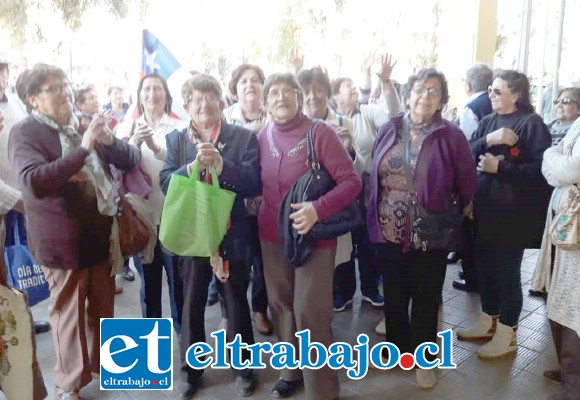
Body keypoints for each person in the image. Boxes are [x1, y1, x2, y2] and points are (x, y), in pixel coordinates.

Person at [8, 63, 139, 400]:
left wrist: (106, 139)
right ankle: (69, 384)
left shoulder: (82, 122)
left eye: (65, 84)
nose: (64, 91)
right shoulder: (25, 133)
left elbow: (128, 160)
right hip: (61, 241)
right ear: (32, 99)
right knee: (68, 314)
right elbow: (34, 182)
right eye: (53, 88)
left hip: (101, 234)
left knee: (103, 306)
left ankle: (108, 367)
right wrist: (82, 150)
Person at [367, 68, 476, 389]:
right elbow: (375, 170)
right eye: (419, 89)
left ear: (442, 99)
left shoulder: (450, 135)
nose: (424, 96)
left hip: (431, 228)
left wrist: (456, 205)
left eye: (432, 91)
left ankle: (425, 360)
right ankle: (401, 349)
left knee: (427, 296)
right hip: (387, 226)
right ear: (408, 94)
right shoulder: (390, 128)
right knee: (395, 293)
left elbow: (467, 180)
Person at [258, 72, 361, 400]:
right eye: (273, 93)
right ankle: (291, 372)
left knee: (310, 312)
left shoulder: (320, 133)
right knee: (281, 305)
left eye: (287, 91)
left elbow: (351, 182)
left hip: (313, 238)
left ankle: (322, 389)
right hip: (271, 237)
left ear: (298, 97)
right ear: (265, 102)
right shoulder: (262, 136)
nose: (281, 97)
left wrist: (318, 208)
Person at [159, 74, 261, 399]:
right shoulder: (177, 140)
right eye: (196, 99)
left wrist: (221, 165)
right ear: (186, 106)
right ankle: (192, 370)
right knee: (192, 301)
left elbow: (254, 183)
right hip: (191, 235)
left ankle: (243, 366)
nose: (204, 104)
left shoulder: (243, 138)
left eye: (210, 97)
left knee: (235, 301)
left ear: (221, 101)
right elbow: (164, 181)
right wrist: (189, 169)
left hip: (231, 236)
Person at [456, 70, 552, 360]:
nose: (491, 96)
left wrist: (503, 168)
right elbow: (465, 154)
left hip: (513, 215)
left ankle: (507, 333)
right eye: (490, 91)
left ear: (517, 94)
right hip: (484, 209)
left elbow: (541, 172)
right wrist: (489, 139)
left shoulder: (532, 124)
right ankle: (489, 320)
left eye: (498, 91)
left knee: (506, 274)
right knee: (484, 269)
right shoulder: (488, 121)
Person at [331, 53, 401, 332]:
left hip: (370, 188)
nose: (354, 90)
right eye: (348, 87)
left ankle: (372, 287)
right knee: (344, 240)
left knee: (370, 241)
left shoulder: (367, 113)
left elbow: (394, 115)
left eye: (354, 87)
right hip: (341, 191)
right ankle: (344, 291)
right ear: (336, 95)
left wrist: (385, 82)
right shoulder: (330, 117)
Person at [116, 73, 186, 330]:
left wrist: (155, 147)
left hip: (173, 217)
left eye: (158, 89)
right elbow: (114, 168)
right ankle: (151, 350)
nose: (152, 94)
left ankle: (186, 354)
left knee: (179, 286)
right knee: (149, 287)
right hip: (140, 221)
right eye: (147, 89)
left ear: (167, 97)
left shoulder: (180, 128)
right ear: (139, 96)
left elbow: (184, 166)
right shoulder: (125, 128)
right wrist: (133, 143)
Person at [0, 53, 50, 334]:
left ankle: (23, 319)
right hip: (7, 205)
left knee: (21, 266)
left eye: (2, 69)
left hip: (22, 202)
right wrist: (14, 200)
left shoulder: (15, 102)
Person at [222, 63, 273, 336]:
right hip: (233, 201)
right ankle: (228, 313)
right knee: (230, 259)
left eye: (255, 80)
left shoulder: (273, 114)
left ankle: (259, 309)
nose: (250, 85)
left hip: (267, 200)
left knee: (262, 260)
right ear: (235, 87)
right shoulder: (226, 118)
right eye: (243, 81)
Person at [533, 117, 580, 400]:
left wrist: (554, 157)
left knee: (574, 305)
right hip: (564, 221)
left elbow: (571, 167)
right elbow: (560, 162)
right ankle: (568, 371)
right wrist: (556, 156)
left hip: (575, 231)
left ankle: (573, 384)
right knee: (558, 296)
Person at [452, 62, 493, 293]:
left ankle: (472, 276)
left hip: (475, 176)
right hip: (491, 177)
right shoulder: (492, 105)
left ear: (467, 85)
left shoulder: (471, 108)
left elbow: (466, 149)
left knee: (469, 230)